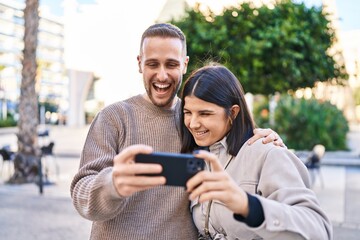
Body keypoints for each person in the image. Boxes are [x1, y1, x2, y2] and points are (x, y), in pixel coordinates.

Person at [70, 23, 284, 240]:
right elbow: (81, 194)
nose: (162, 76)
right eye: (153, 64)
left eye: (171, 64)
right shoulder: (113, 117)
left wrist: (264, 137)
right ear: (139, 63)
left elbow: (231, 137)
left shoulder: (195, 121)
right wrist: (113, 184)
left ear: (184, 64)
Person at [181, 63, 332, 239]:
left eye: (205, 114)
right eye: (187, 112)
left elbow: (318, 230)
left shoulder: (267, 153)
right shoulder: (196, 155)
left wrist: (248, 205)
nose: (193, 123)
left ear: (233, 113)